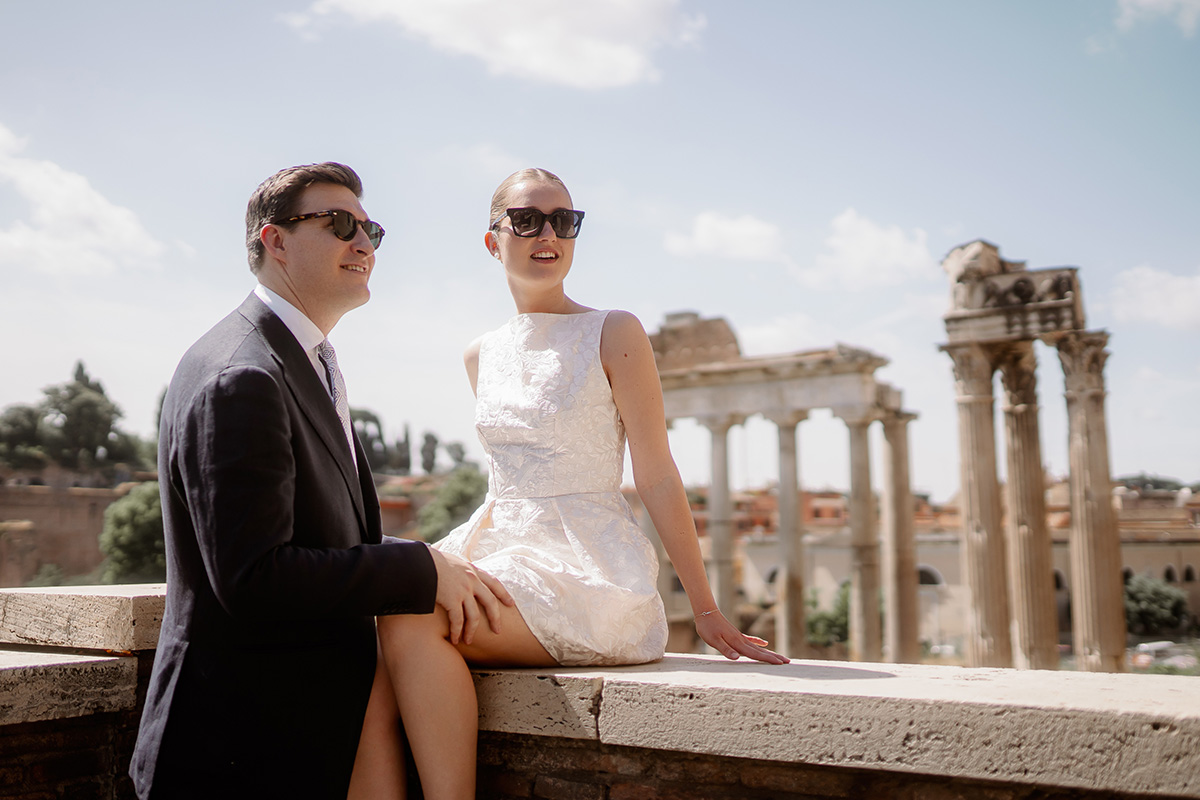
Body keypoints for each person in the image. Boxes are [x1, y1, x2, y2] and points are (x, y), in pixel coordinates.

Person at [354, 168, 788, 800]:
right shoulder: (479, 353)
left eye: (564, 220)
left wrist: (706, 607)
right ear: (492, 240)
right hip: (501, 548)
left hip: (589, 571)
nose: (548, 233)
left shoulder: (615, 330)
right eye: (527, 221)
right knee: (379, 646)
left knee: (411, 612)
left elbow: (658, 474)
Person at [129, 162, 512, 800]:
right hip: (236, 752)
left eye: (371, 230)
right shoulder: (241, 376)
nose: (362, 244)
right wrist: (419, 571)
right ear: (273, 241)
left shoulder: (297, 360)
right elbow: (254, 578)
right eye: (338, 225)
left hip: (286, 744)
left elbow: (318, 535)